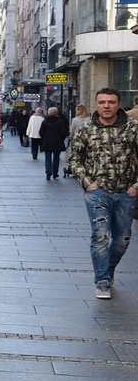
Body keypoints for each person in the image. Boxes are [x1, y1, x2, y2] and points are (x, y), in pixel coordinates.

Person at [66, 88, 138, 300]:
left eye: (111, 102)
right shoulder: (86, 128)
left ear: (118, 104)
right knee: (101, 234)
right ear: (96, 104)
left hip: (126, 191)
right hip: (98, 193)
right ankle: (102, 280)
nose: (106, 106)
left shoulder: (133, 128)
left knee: (122, 239)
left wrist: (135, 186)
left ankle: (108, 268)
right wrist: (87, 183)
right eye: (102, 102)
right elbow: (74, 158)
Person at [40, 107, 70, 181]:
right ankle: (55, 173)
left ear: (48, 113)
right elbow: (64, 132)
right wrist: (61, 138)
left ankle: (48, 172)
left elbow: (41, 132)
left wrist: (44, 138)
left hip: (47, 142)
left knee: (48, 158)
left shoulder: (44, 121)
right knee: (56, 158)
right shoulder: (60, 121)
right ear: (56, 113)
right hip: (57, 142)